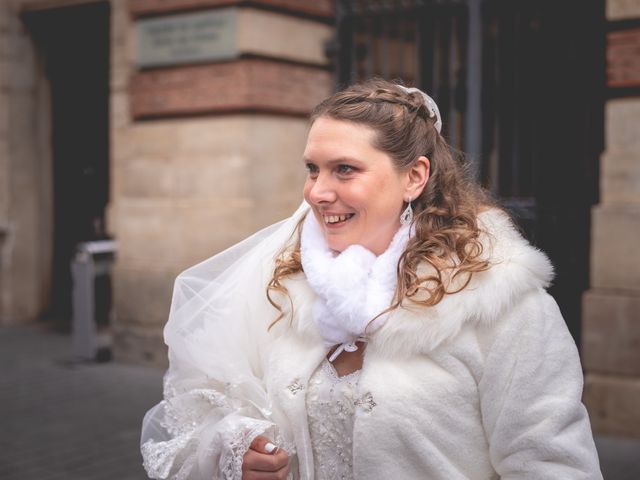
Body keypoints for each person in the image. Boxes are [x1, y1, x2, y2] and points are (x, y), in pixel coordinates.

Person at [141, 79, 602, 479]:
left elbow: (552, 465)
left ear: (414, 177)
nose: (318, 192)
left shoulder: (502, 303)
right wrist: (236, 451)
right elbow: (205, 409)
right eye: (312, 169)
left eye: (345, 169)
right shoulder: (285, 288)